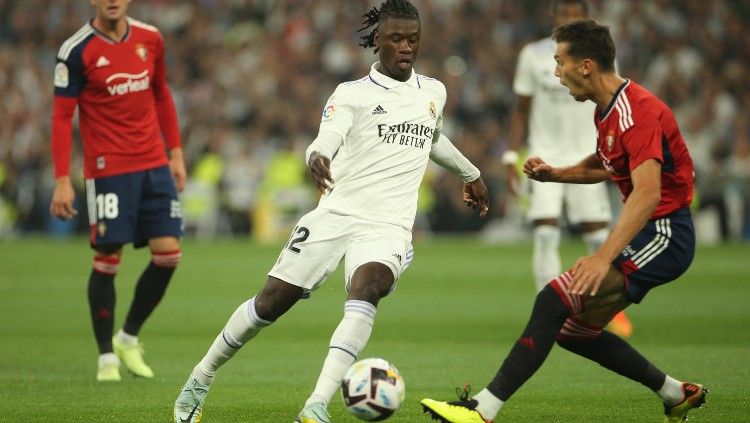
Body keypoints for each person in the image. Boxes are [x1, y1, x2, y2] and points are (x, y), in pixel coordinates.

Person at [173, 1, 489, 422]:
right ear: (378, 41)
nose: (406, 47)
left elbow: (431, 138)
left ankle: (316, 405)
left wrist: (471, 173)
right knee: (270, 303)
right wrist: (318, 156)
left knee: (367, 287)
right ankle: (201, 375)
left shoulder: (433, 91)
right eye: (396, 38)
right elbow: (327, 136)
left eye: (413, 39)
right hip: (336, 213)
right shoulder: (352, 94)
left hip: (388, 225)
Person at [422, 20, 706, 423]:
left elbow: (648, 192)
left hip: (665, 233)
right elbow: (605, 164)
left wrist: (602, 257)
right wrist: (557, 173)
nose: (555, 73)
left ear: (586, 65)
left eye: (560, 62)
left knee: (552, 299)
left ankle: (482, 410)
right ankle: (676, 393)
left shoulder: (636, 113)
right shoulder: (608, 111)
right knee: (573, 330)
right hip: (648, 230)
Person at [49, 0, 185, 382]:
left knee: (169, 255)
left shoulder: (151, 39)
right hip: (109, 170)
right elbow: (61, 116)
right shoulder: (75, 50)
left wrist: (175, 152)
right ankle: (106, 357)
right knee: (109, 257)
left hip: (154, 164)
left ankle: (127, 336)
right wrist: (62, 179)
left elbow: (161, 94)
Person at [506, 0, 632, 338]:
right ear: (553, 17)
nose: (566, 19)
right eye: (562, 14)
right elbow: (520, 109)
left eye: (573, 14)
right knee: (545, 233)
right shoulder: (533, 56)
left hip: (587, 155)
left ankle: (608, 309)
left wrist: (616, 148)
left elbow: (613, 101)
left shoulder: (601, 57)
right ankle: (546, 313)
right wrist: (509, 156)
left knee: (598, 236)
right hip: (543, 154)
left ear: (585, 16)